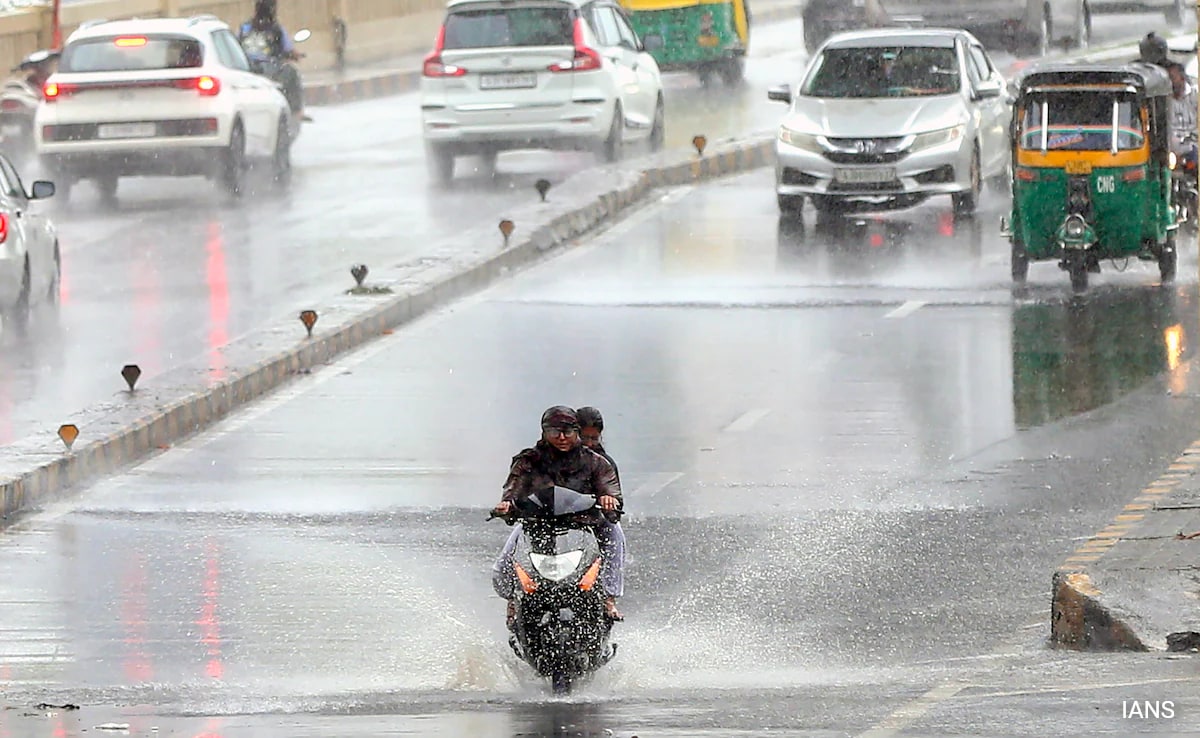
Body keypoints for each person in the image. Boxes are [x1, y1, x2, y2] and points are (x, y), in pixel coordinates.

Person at [491, 406, 626, 625]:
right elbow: (514, 486)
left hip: (583, 523)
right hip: (539, 521)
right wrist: (507, 503)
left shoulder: (596, 462)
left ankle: (608, 597)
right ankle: (514, 599)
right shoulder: (529, 460)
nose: (561, 438)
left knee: (614, 537)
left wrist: (608, 499)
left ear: (576, 433)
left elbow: (611, 488)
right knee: (503, 565)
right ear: (544, 432)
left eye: (568, 432)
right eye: (555, 432)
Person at [238, 0, 304, 114]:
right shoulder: (276, 29)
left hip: (246, 68)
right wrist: (295, 55)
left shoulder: (244, 28)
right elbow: (288, 49)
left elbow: (236, 43)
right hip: (270, 69)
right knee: (292, 73)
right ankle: (296, 112)